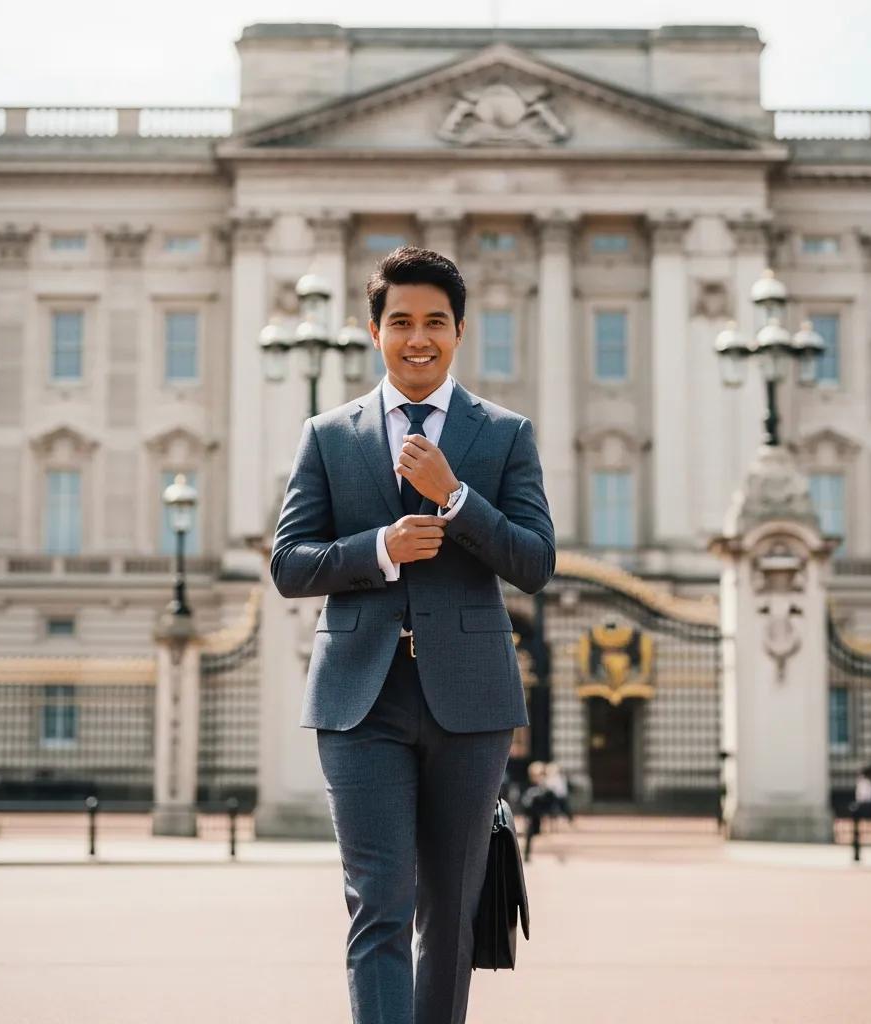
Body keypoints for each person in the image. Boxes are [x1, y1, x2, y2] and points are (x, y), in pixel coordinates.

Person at [270, 246, 556, 1024]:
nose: (417, 338)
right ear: (375, 331)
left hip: (471, 701)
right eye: (400, 322)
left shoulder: (505, 435)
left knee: (452, 915)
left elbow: (535, 563)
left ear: (459, 330)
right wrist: (380, 550)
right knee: (379, 904)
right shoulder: (328, 435)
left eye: (435, 321)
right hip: (358, 700)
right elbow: (289, 564)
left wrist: (455, 498)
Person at [521, 760, 554, 861]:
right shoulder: (528, 786)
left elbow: (549, 799)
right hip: (530, 813)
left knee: (537, 832)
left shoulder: (544, 787)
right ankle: (526, 855)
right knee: (530, 833)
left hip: (539, 812)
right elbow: (525, 801)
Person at [545, 760, 574, 825]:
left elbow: (560, 789)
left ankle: (569, 819)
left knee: (564, 808)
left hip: (559, 797)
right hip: (553, 798)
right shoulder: (550, 778)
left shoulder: (559, 778)